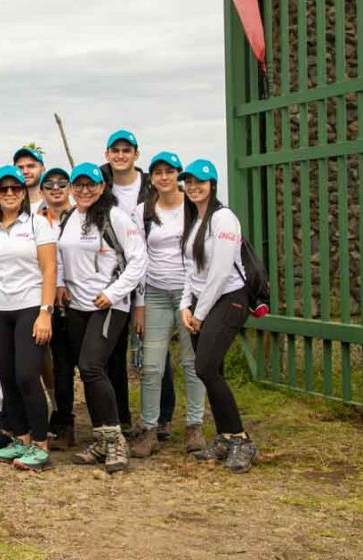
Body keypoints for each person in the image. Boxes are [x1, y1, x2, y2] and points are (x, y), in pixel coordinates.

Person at [56, 163, 146, 474]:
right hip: (78, 306)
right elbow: (59, 254)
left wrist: (114, 292)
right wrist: (59, 283)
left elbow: (138, 259)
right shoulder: (69, 217)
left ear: (101, 187)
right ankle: (100, 439)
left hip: (108, 305)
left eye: (90, 185)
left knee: (93, 366)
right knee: (87, 368)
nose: (84, 191)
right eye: (78, 185)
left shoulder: (116, 217)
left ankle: (116, 438)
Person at [179, 159, 258, 473]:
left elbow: (221, 272)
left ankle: (241, 439)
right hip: (201, 301)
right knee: (210, 371)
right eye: (189, 182)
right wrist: (185, 305)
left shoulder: (223, 219)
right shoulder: (195, 220)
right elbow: (190, 270)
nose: (194, 187)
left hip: (229, 299)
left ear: (213, 184)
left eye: (201, 181)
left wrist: (198, 313)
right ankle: (225, 437)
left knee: (206, 367)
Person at [0, 166, 57, 472]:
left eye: (15, 188)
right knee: (8, 376)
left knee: (27, 375)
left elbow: (50, 269)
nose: (9, 193)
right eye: (3, 189)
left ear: (24, 192)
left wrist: (45, 312)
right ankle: (21, 439)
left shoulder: (38, 224)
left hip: (30, 307)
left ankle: (41, 445)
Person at [130, 152, 207, 457]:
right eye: (158, 172)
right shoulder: (143, 211)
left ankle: (194, 426)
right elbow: (138, 256)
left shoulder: (193, 207)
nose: (164, 177)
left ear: (178, 174)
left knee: (192, 362)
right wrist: (139, 303)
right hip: (156, 294)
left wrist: (195, 300)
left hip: (189, 295)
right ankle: (150, 429)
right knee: (151, 366)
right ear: (152, 177)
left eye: (170, 171)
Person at [100, 129, 175, 436]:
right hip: (113, 279)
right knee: (114, 352)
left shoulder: (150, 186)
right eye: (115, 150)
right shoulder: (100, 183)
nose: (120, 155)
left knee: (156, 350)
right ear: (107, 154)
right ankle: (121, 416)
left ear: (136, 154)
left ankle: (163, 416)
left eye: (126, 150)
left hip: (152, 276)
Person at [35, 166, 78, 449]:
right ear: (41, 191)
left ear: (70, 188)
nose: (56, 188)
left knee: (85, 365)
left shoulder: (82, 215)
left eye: (62, 183)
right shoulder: (36, 221)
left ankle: (111, 424)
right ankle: (63, 422)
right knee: (58, 366)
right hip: (49, 300)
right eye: (49, 184)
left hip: (81, 300)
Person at [12, 146, 46, 212]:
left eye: (31, 166)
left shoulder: (54, 204)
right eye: (20, 167)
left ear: (43, 169)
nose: (25, 171)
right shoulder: (6, 208)